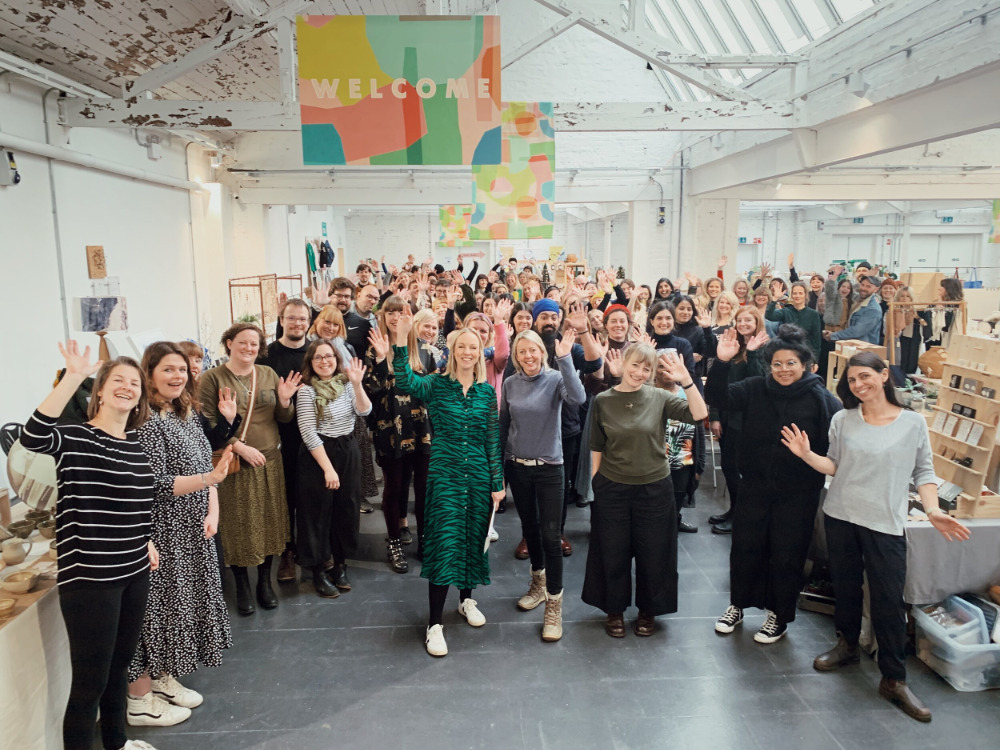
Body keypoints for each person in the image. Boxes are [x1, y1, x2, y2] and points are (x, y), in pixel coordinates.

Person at [780, 351, 970, 722]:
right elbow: (834, 466)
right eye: (852, 380)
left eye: (865, 376)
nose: (859, 385)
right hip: (841, 516)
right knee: (846, 589)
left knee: (888, 600)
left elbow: (924, 473)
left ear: (884, 376)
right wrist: (807, 455)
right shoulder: (843, 418)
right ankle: (847, 644)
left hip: (885, 523)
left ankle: (894, 679)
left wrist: (933, 510)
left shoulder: (913, 423)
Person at [22, 342, 157, 750]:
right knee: (90, 683)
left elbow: (136, 503)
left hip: (134, 571)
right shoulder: (74, 437)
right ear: (99, 391)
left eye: (135, 383)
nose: (128, 387)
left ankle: (117, 743)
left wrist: (146, 539)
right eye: (118, 380)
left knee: (118, 670)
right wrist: (74, 376)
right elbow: (32, 436)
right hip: (91, 577)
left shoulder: (135, 445)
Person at [706, 325, 841, 643]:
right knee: (745, 547)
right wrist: (722, 362)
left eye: (791, 363)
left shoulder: (821, 400)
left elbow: (838, 446)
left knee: (787, 553)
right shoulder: (755, 388)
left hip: (799, 492)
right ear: (769, 365)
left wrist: (810, 456)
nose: (783, 370)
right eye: (777, 364)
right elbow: (718, 397)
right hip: (754, 486)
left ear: (805, 365)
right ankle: (737, 605)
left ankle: (778, 615)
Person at [127, 342, 233, 727]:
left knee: (179, 606)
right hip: (164, 528)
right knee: (157, 608)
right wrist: (209, 480)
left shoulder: (185, 412)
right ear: (149, 374)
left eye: (182, 370)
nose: (177, 376)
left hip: (193, 525)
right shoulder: (148, 421)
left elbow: (208, 465)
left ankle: (162, 675)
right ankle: (139, 700)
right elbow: (153, 484)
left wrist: (213, 504)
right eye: (167, 370)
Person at [392, 309, 505, 658]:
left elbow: (491, 440)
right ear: (453, 350)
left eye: (474, 346)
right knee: (444, 545)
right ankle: (434, 624)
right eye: (462, 347)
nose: (468, 352)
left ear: (481, 350)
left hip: (480, 479)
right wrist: (400, 339)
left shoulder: (486, 393)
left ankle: (466, 600)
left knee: (473, 540)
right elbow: (404, 381)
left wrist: (497, 483)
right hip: (445, 478)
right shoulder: (438, 385)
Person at [583, 345, 708, 638]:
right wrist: (597, 483)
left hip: (655, 488)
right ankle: (614, 609)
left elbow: (699, 413)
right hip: (613, 487)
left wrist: (686, 380)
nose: (640, 373)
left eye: (647, 369)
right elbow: (597, 445)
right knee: (612, 550)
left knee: (655, 552)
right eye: (636, 366)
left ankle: (648, 611)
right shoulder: (603, 400)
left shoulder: (661, 397)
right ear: (623, 363)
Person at [199, 323, 301, 616]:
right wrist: (240, 447)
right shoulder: (212, 378)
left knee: (270, 521)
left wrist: (284, 399)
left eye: (254, 344)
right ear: (229, 343)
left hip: (270, 460)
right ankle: (243, 584)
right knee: (238, 525)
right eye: (242, 343)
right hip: (234, 462)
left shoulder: (267, 373)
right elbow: (207, 426)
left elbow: (283, 417)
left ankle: (265, 584)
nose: (249, 348)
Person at [501, 329, 586, 642]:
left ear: (542, 352)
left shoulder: (555, 379)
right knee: (531, 531)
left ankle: (554, 603)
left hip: (550, 468)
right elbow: (503, 425)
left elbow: (578, 397)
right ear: (516, 356)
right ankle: (537, 584)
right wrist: (500, 469)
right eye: (522, 352)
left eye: (533, 351)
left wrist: (565, 358)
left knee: (551, 537)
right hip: (518, 468)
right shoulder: (510, 384)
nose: (528, 357)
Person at [295, 339, 371, 598]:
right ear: (311, 362)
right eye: (318, 358)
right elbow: (307, 431)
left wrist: (358, 384)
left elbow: (364, 411)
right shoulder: (306, 390)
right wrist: (328, 469)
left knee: (346, 508)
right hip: (318, 455)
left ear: (336, 359)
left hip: (347, 450)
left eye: (328, 356)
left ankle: (340, 565)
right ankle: (318, 571)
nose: (324, 361)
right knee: (317, 513)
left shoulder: (347, 384)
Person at [365, 297, 435, 573]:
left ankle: (425, 539)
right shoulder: (375, 347)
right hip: (389, 429)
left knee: (424, 489)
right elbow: (373, 391)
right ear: (382, 316)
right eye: (390, 312)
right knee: (394, 489)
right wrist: (382, 360)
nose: (395, 317)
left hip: (422, 430)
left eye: (401, 311)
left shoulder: (425, 349)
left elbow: (431, 389)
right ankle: (394, 542)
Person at [707, 308, 769, 535]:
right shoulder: (732, 345)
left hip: (746, 422)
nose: (743, 323)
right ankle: (733, 510)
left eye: (748, 320)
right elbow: (717, 384)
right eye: (739, 320)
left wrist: (752, 353)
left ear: (757, 322)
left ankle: (739, 516)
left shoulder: (764, 348)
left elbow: (760, 381)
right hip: (726, 417)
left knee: (737, 470)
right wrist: (714, 417)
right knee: (728, 467)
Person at [265, 298, 312, 583]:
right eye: (292, 318)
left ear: (309, 322)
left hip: (315, 436)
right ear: (282, 320)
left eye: (302, 319)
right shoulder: (267, 354)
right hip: (280, 435)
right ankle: (288, 551)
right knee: (286, 496)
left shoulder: (317, 352)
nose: (297, 323)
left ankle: (314, 548)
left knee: (312, 493)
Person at [766, 281, 823, 361]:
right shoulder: (786, 311)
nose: (797, 296)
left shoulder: (813, 314)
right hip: (787, 353)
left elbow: (816, 340)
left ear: (805, 295)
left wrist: (815, 360)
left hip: (805, 354)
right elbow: (769, 315)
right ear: (791, 295)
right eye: (795, 293)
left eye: (800, 293)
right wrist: (775, 298)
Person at [824, 275, 883, 346]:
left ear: (876, 289)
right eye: (862, 285)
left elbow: (857, 331)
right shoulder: (857, 299)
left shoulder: (873, 309)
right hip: (851, 346)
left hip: (864, 350)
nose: (864, 288)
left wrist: (833, 335)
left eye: (868, 286)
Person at [920, 277, 964, 348]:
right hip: (933, 338)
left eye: (942, 286)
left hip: (948, 339)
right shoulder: (933, 304)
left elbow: (947, 324)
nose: (939, 288)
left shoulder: (958, 305)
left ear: (950, 289)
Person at [891, 286, 924, 374]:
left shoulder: (917, 312)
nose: (905, 298)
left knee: (911, 362)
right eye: (902, 296)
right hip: (898, 340)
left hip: (913, 340)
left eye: (907, 296)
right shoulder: (894, 311)